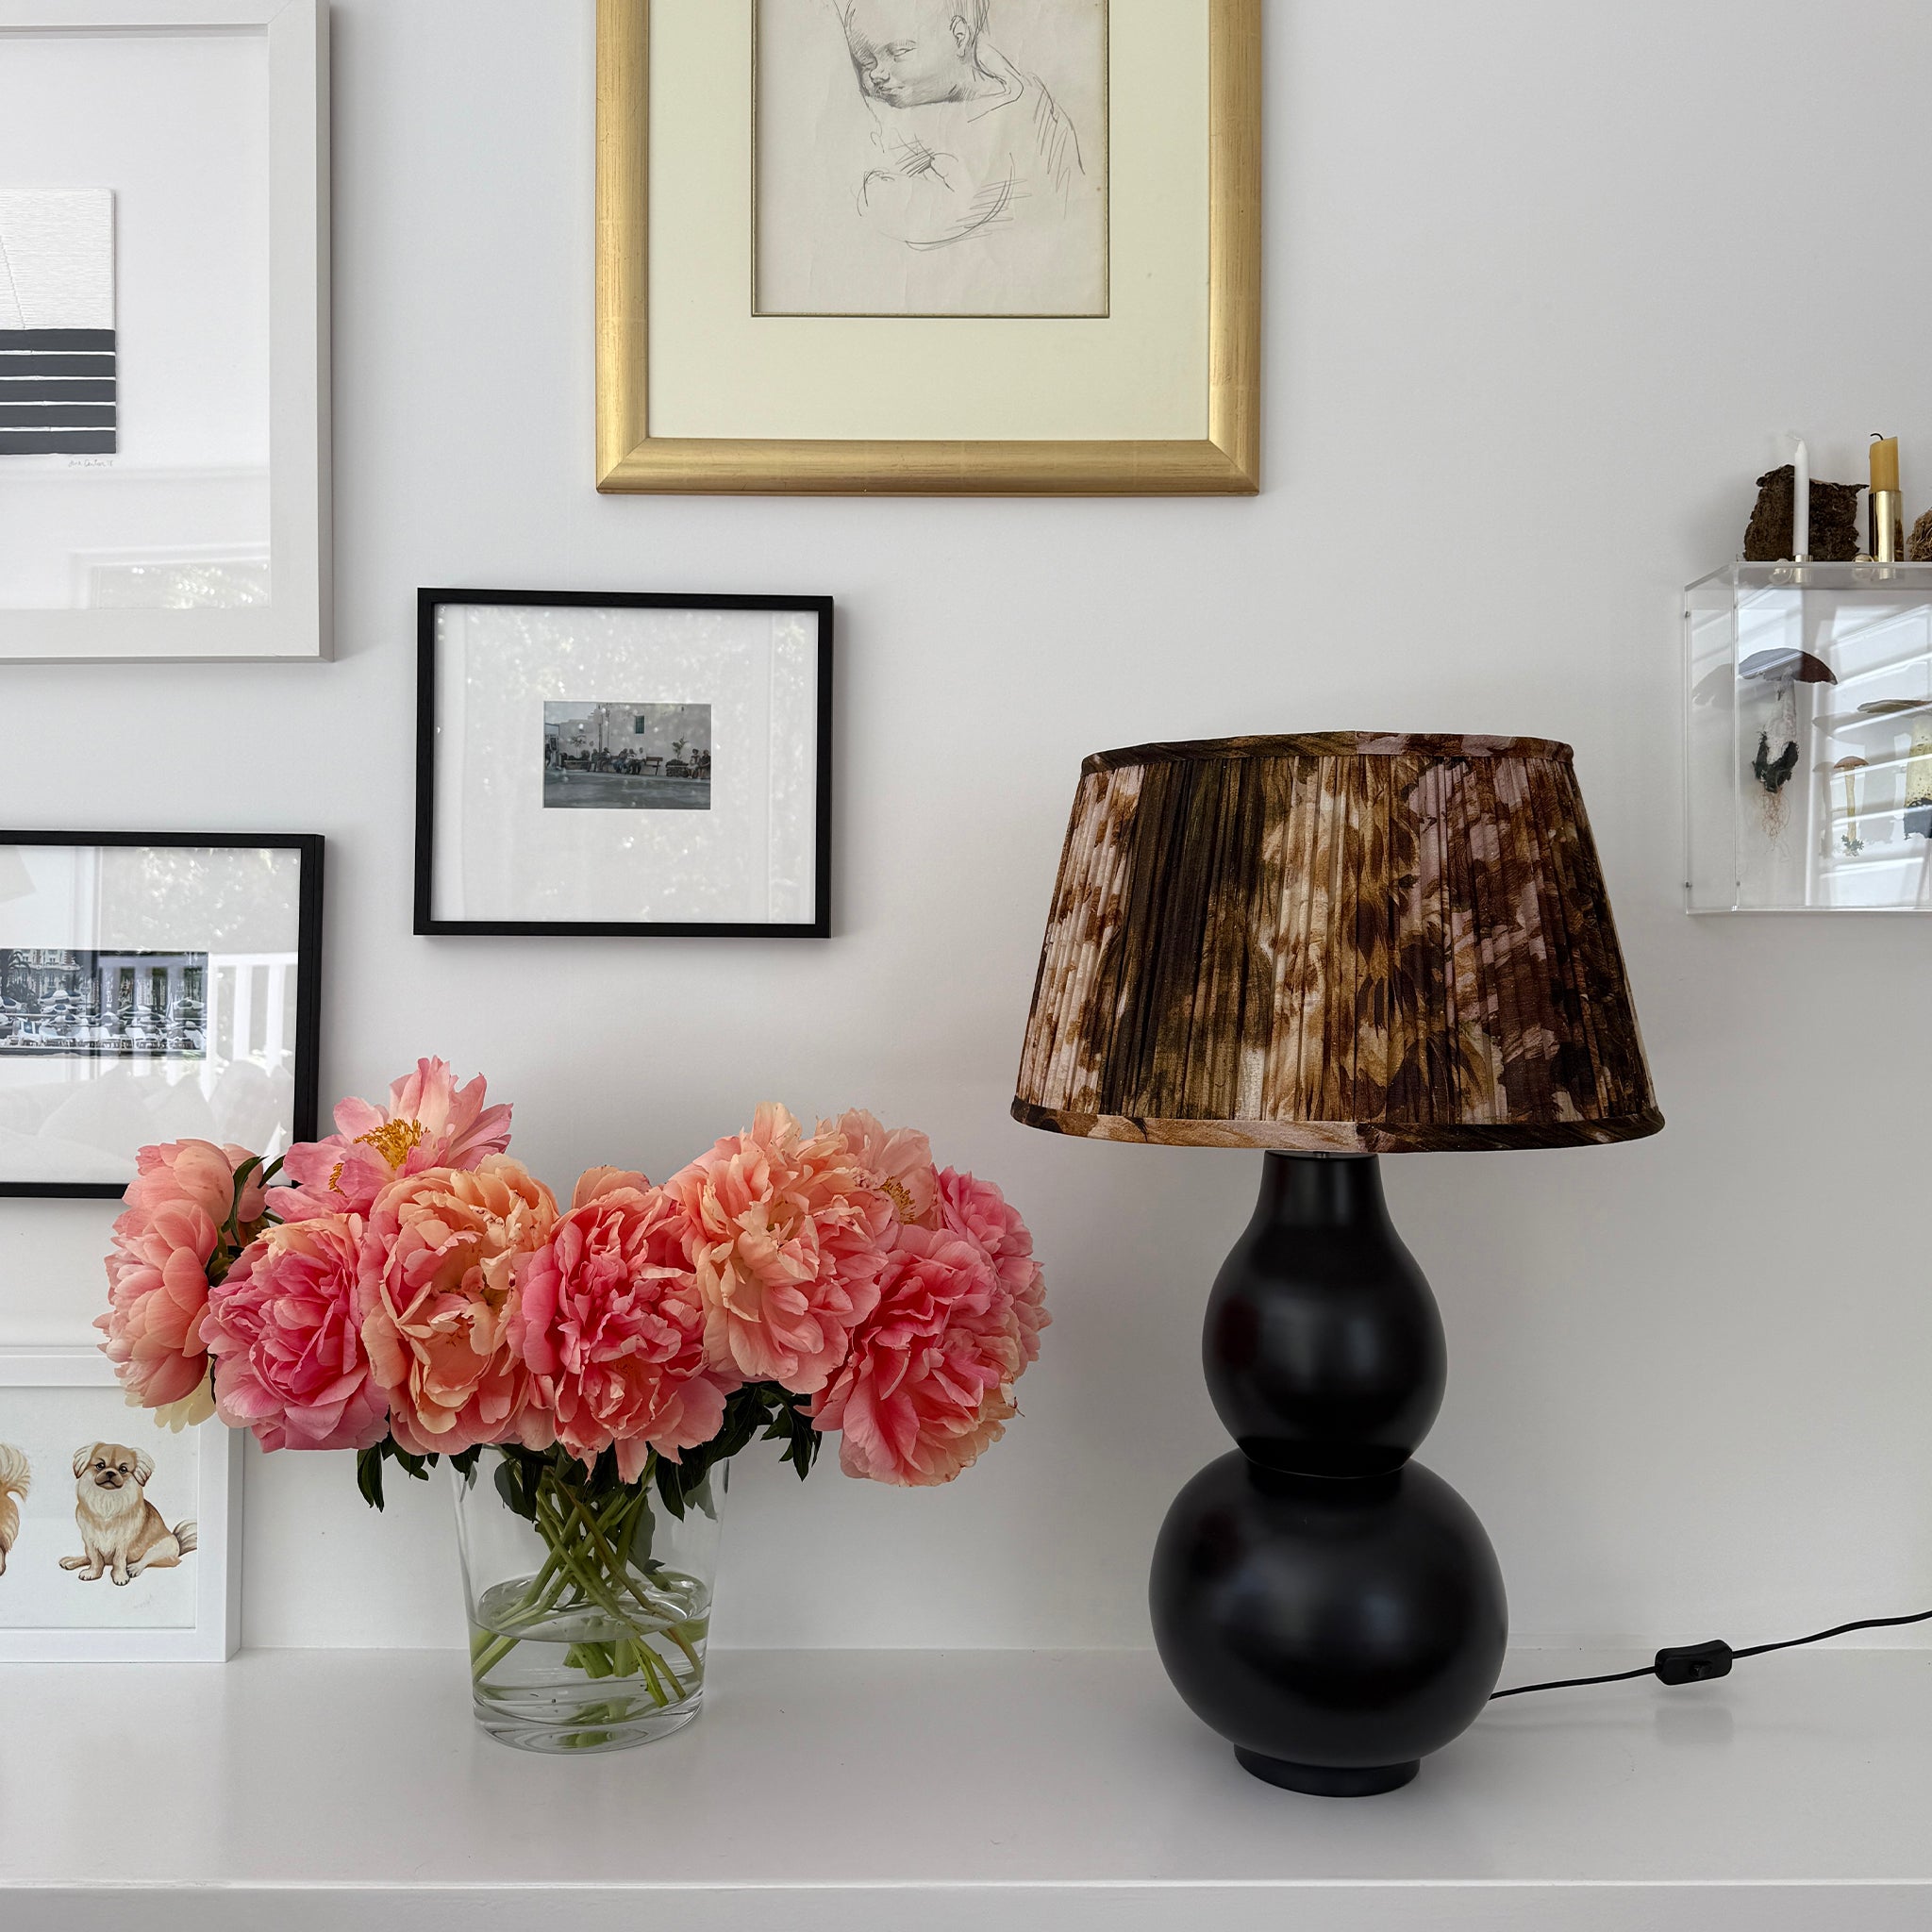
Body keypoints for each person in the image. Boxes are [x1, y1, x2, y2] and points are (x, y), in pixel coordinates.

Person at [839, 0, 1086, 252]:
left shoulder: (999, 123)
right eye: (866, 63)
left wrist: (871, 189)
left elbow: (923, 219)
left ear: (959, 38)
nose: (876, 74)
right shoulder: (993, 90)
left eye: (898, 53)